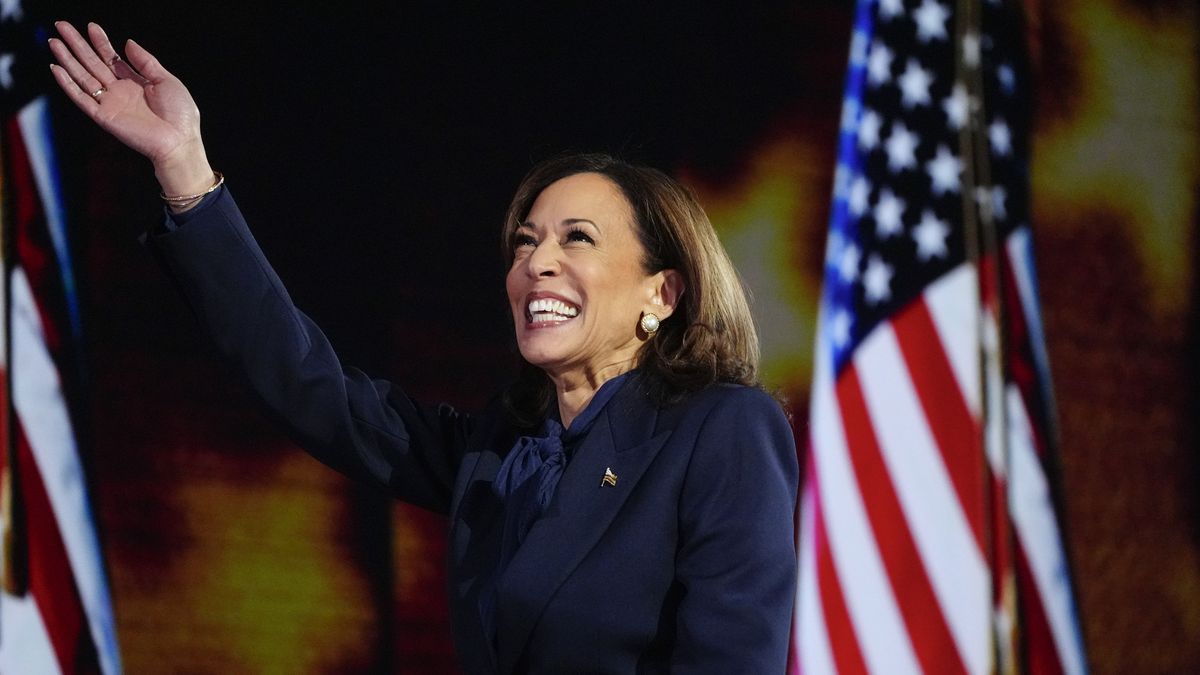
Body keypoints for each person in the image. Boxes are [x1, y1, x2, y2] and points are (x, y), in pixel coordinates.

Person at [49, 21, 799, 673]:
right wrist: (184, 167)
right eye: (526, 241)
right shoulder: (499, 451)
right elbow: (311, 387)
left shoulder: (719, 431)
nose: (535, 262)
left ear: (659, 295)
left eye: (579, 239)